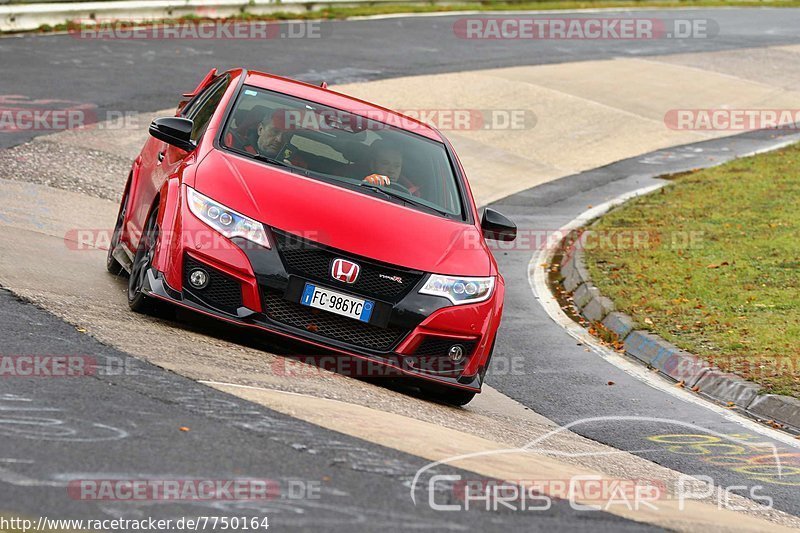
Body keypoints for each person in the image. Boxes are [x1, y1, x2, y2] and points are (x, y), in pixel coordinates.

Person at [224, 107, 306, 168]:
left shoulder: (296, 164)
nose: (279, 139)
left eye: (286, 135)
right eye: (275, 131)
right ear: (260, 129)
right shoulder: (231, 143)